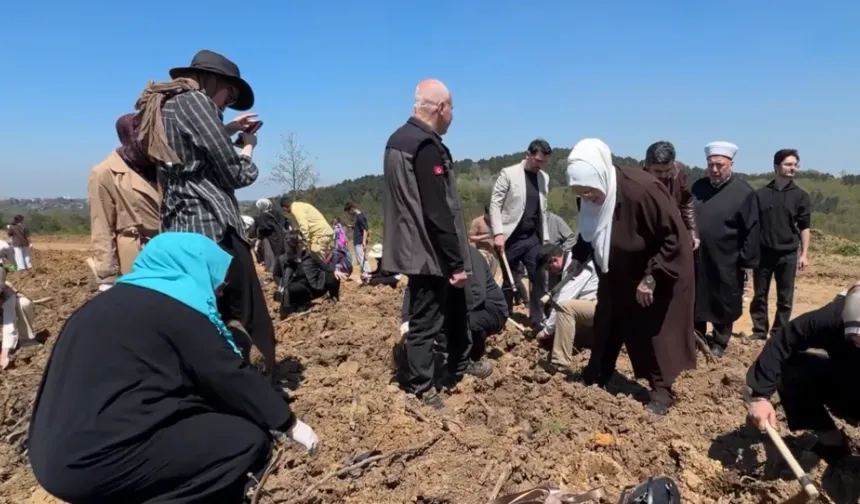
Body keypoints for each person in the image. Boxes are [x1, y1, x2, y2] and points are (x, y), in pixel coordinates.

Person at [28, 233, 318, 504]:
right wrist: (289, 424)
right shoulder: (177, 310)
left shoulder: (100, 307)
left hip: (50, 458)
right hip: (96, 463)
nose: (218, 288)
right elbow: (226, 373)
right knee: (246, 441)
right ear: (191, 268)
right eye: (213, 275)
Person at [134, 49, 277, 379]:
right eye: (231, 93)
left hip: (182, 225)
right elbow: (237, 175)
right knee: (249, 314)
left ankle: (213, 382)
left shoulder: (166, 103)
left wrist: (224, 128)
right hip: (214, 224)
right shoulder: (195, 102)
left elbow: (189, 150)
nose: (229, 101)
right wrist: (248, 146)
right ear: (215, 82)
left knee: (207, 313)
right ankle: (261, 389)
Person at [567, 138, 696, 416]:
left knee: (652, 333)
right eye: (582, 194)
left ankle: (662, 391)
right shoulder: (591, 193)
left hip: (655, 272)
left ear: (601, 178)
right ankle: (598, 373)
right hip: (616, 272)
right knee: (607, 324)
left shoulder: (642, 191)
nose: (588, 198)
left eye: (590, 192)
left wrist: (652, 277)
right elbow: (590, 228)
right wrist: (579, 257)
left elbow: (673, 237)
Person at [382, 78, 484, 408]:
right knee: (426, 320)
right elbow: (437, 208)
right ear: (440, 108)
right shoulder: (425, 145)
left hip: (419, 246)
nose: (453, 116)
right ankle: (423, 388)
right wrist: (454, 261)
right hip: (429, 251)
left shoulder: (400, 139)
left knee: (456, 307)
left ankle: (460, 361)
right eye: (452, 108)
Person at [746, 285, 860, 465]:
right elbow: (783, 340)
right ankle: (833, 443)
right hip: (848, 380)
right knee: (792, 369)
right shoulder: (833, 316)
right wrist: (760, 396)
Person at [692, 142, 760, 357]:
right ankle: (697, 336)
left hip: (727, 258)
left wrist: (746, 260)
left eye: (719, 165)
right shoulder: (698, 187)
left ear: (731, 164)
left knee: (723, 298)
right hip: (698, 256)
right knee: (697, 297)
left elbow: (753, 229)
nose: (714, 170)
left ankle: (720, 342)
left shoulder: (744, 192)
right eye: (710, 164)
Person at [400, 246, 506, 372]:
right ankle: (449, 351)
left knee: (463, 324)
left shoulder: (469, 256)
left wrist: (446, 318)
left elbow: (477, 295)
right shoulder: (428, 255)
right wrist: (406, 320)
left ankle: (475, 356)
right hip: (459, 305)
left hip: (489, 308)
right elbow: (412, 288)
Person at [88, 113, 161, 292]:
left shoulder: (162, 167)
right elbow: (102, 226)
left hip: (169, 250)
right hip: (137, 254)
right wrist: (106, 278)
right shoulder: (105, 172)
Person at [750, 148, 812, 341]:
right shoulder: (760, 194)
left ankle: (778, 333)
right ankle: (759, 331)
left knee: (784, 298)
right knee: (759, 295)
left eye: (795, 165)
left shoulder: (801, 196)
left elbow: (805, 227)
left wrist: (804, 254)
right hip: (763, 253)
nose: (792, 168)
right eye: (788, 164)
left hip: (788, 254)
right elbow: (753, 225)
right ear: (776, 166)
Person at [490, 139, 552, 328]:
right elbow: (495, 204)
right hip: (511, 236)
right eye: (537, 161)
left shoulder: (544, 178)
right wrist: (498, 233)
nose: (540, 165)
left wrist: (546, 238)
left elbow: (543, 209)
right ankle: (503, 316)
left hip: (532, 237)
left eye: (543, 162)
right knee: (510, 280)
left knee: (538, 275)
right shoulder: (509, 174)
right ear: (529, 155)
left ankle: (536, 317)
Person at [535, 243, 599, 371]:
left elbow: (563, 300)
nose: (550, 272)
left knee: (564, 307)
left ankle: (561, 362)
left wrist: (546, 331)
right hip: (591, 307)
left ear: (554, 259)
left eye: (548, 268)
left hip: (601, 308)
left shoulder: (577, 264)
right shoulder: (571, 262)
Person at [642, 141, 698, 250]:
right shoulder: (637, 179)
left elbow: (686, 202)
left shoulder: (679, 171)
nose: (663, 175)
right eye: (658, 171)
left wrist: (692, 230)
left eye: (668, 170)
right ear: (647, 166)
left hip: (673, 234)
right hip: (648, 237)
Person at [274, 233, 343, 318]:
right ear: (293, 245)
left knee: (333, 276)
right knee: (287, 290)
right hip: (300, 290)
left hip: (316, 287)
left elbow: (325, 267)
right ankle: (294, 306)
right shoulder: (282, 260)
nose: (303, 243)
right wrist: (280, 284)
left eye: (302, 240)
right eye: (300, 241)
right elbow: (276, 275)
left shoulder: (310, 255)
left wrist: (335, 271)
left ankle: (334, 298)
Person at [1, 240, 39, 369]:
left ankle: (27, 339)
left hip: (6, 302)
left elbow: (9, 322)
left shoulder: (6, 293)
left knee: (23, 304)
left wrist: (4, 353)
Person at [254, 198, 286, 277]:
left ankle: (273, 272)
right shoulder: (277, 213)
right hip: (281, 235)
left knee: (271, 255)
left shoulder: (263, 216)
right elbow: (285, 221)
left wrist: (257, 242)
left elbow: (263, 229)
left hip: (271, 237)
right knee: (281, 253)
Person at [545, 211, 577, 291]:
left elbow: (571, 238)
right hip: (538, 264)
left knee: (553, 292)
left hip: (554, 265)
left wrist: (559, 253)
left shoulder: (554, 220)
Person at [468, 204, 499, 277]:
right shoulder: (477, 221)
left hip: (494, 252)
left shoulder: (496, 221)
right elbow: (471, 238)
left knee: (492, 275)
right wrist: (487, 236)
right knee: (484, 273)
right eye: (489, 215)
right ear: (485, 213)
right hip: (482, 251)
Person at [345, 203, 371, 275]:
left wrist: (364, 242)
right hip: (358, 241)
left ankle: (367, 275)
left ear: (351, 209)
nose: (349, 214)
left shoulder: (360, 217)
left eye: (348, 211)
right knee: (361, 260)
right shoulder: (358, 217)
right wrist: (352, 227)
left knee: (362, 259)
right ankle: (365, 275)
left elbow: (365, 230)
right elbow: (360, 229)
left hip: (360, 242)